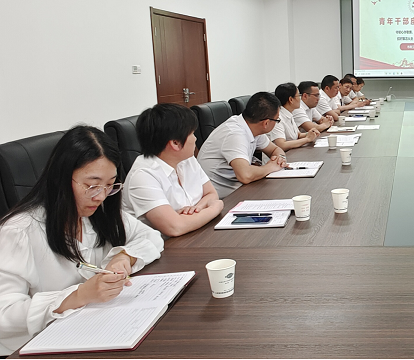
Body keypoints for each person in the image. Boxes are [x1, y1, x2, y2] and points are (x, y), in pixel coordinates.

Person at [0, 126, 164, 355]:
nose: (101, 196)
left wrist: (124, 257)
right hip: (34, 346)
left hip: (94, 330)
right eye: (92, 185)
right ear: (61, 178)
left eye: (110, 185)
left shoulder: (97, 213)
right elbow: (5, 313)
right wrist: (78, 296)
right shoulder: (20, 231)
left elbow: (151, 236)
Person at [123, 104, 223, 237]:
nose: (195, 138)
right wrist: (215, 208)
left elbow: (211, 194)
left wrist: (197, 209)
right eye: (192, 133)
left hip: (194, 235)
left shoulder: (187, 160)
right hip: (163, 246)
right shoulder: (143, 176)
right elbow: (175, 227)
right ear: (175, 143)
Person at [197, 92, 288, 198]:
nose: (277, 123)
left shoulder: (252, 127)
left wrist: (280, 159)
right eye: (277, 120)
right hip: (220, 198)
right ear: (266, 123)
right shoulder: (235, 134)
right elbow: (245, 175)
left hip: (239, 189)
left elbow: (275, 149)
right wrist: (271, 167)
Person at [269, 83, 320, 150]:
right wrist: (307, 139)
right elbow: (282, 145)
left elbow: (298, 135)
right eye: (299, 96)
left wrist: (309, 133)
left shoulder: (289, 113)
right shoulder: (277, 118)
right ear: (291, 99)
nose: (300, 99)